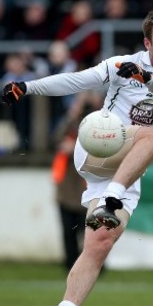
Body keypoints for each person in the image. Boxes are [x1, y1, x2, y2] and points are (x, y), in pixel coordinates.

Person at [1, 6, 153, 306]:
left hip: (127, 172)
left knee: (99, 244)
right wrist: (27, 86)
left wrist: (148, 78)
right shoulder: (121, 64)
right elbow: (76, 80)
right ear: (147, 43)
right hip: (97, 146)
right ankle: (110, 199)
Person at [51, 90, 102, 272]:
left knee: (92, 230)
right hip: (67, 187)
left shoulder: (101, 120)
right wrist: (73, 113)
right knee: (68, 231)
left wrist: (75, 147)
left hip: (89, 186)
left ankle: (95, 265)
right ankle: (70, 263)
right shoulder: (70, 123)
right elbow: (56, 138)